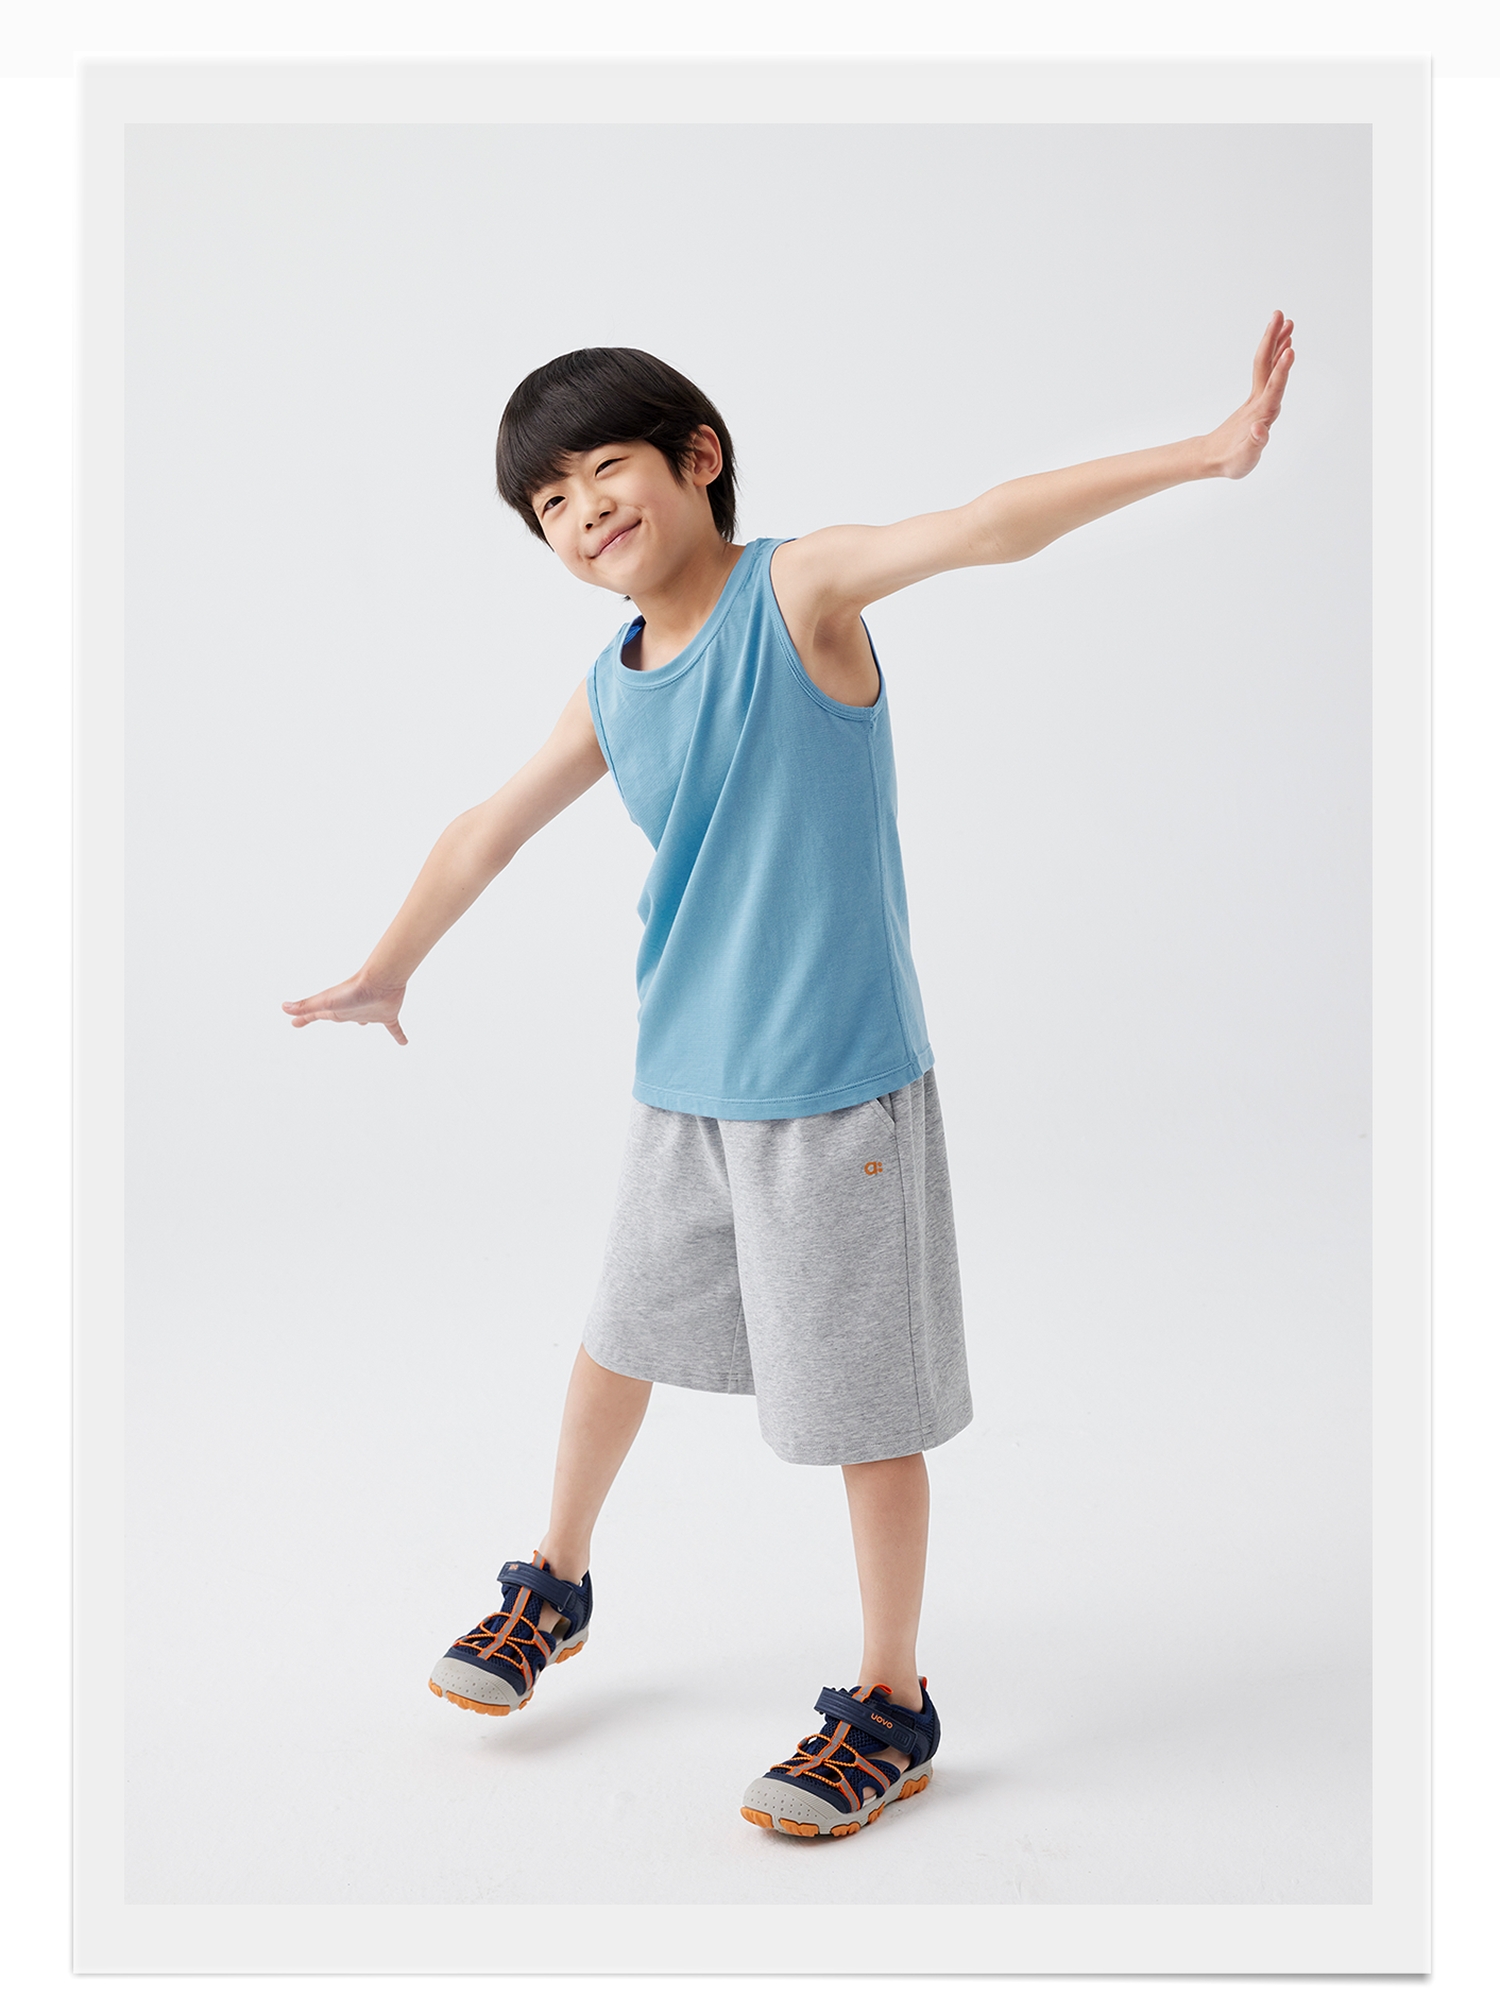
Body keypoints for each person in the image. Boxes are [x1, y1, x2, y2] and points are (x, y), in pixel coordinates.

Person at [283, 320, 1295, 1840]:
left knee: (865, 1415)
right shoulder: (613, 684)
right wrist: (387, 966)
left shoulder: (797, 594)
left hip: (833, 1098)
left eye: (604, 469)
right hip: (683, 1090)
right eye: (548, 503)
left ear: (698, 459)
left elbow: (986, 526)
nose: (582, 512)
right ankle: (553, 1583)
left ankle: (892, 1701)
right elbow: (484, 828)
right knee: (615, 1343)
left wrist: (1206, 453)